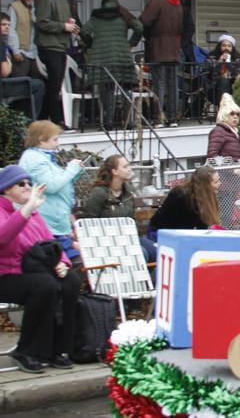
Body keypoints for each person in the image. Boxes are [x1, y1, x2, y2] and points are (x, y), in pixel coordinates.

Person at [0, 165, 81, 373]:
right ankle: (27, 351)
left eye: (29, 183)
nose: (27, 187)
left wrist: (63, 262)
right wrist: (25, 211)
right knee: (44, 285)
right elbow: (3, 238)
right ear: (6, 189)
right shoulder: (7, 210)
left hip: (33, 272)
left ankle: (59, 349)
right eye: (21, 184)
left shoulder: (32, 211)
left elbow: (49, 242)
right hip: (6, 275)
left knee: (70, 280)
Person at [18, 120, 85, 264]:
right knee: (73, 262)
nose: (58, 143)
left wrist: (75, 173)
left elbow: (61, 182)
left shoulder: (43, 156)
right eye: (55, 139)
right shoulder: (34, 160)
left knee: (76, 262)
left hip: (57, 222)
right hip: (48, 223)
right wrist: (71, 169)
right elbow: (52, 186)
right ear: (41, 139)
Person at [81, 0, 144, 129]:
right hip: (122, 56)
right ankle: (128, 122)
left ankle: (108, 122)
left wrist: (92, 44)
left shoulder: (96, 17)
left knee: (107, 88)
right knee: (126, 87)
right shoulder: (123, 14)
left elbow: (84, 31)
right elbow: (139, 27)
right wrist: (131, 43)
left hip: (103, 58)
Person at [80, 155, 157, 263]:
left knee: (158, 252)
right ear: (115, 171)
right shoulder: (99, 193)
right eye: (125, 167)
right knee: (141, 254)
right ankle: (136, 279)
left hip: (130, 237)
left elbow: (131, 218)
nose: (129, 169)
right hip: (108, 241)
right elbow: (88, 222)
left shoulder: (128, 191)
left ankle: (150, 279)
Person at [33, 0, 79, 125]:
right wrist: (63, 26)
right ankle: (56, 120)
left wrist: (72, 28)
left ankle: (42, 119)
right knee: (54, 84)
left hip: (61, 46)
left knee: (56, 84)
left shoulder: (65, 0)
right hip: (49, 46)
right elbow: (42, 22)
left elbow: (65, 23)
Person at [139, 0, 183, 127]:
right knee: (173, 85)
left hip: (159, 48)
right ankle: (173, 118)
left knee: (160, 84)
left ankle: (158, 118)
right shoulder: (177, 3)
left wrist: (147, 35)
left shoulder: (157, 1)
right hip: (175, 48)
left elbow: (144, 20)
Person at [148, 166, 221, 238]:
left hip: (179, 234)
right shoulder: (181, 195)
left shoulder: (205, 196)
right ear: (205, 185)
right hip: (160, 233)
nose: (220, 183)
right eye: (216, 182)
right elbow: (196, 225)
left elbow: (201, 227)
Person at [206, 94, 240, 225]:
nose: (235, 117)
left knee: (227, 216)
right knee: (223, 217)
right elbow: (212, 156)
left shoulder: (231, 131)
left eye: (237, 114)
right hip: (223, 183)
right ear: (224, 115)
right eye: (231, 114)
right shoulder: (219, 131)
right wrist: (232, 169)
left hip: (231, 183)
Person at [1, 12, 45, 117]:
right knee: (38, 85)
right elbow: (5, 72)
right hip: (2, 86)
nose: (7, 27)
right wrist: (9, 63)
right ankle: (29, 123)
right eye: (3, 25)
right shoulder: (1, 44)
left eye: (8, 25)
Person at [7, 0, 42, 79]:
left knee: (38, 83)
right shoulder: (15, 7)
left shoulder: (39, 6)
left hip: (37, 52)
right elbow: (11, 30)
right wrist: (15, 51)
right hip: (22, 52)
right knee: (19, 82)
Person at [206, 34, 240, 105]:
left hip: (233, 88)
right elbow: (209, 72)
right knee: (224, 81)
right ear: (219, 47)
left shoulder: (237, 60)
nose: (226, 48)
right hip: (215, 89)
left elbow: (238, 73)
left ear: (232, 48)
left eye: (229, 46)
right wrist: (219, 62)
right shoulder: (212, 58)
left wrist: (229, 64)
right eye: (224, 45)